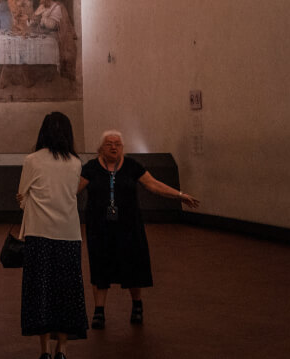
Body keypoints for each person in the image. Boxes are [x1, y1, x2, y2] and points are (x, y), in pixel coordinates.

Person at [77, 130, 200, 329]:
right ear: (101, 148)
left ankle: (137, 305)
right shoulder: (90, 168)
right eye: (109, 144)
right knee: (100, 266)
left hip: (128, 227)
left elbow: (153, 184)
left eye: (118, 143)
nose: (114, 147)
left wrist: (179, 195)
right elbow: (71, 190)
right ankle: (99, 310)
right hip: (100, 228)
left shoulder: (132, 166)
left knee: (132, 264)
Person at [16, 112, 89, 359]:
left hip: (39, 235)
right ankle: (63, 351)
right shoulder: (76, 163)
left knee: (41, 292)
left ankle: (45, 350)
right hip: (69, 234)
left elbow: (21, 197)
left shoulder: (32, 160)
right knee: (67, 292)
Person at [30, 0, 77, 78]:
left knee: (47, 45)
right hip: (42, 34)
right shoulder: (42, 6)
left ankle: (51, 71)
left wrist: (43, 19)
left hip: (54, 35)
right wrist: (34, 19)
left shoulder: (56, 7)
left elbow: (53, 25)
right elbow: (33, 19)